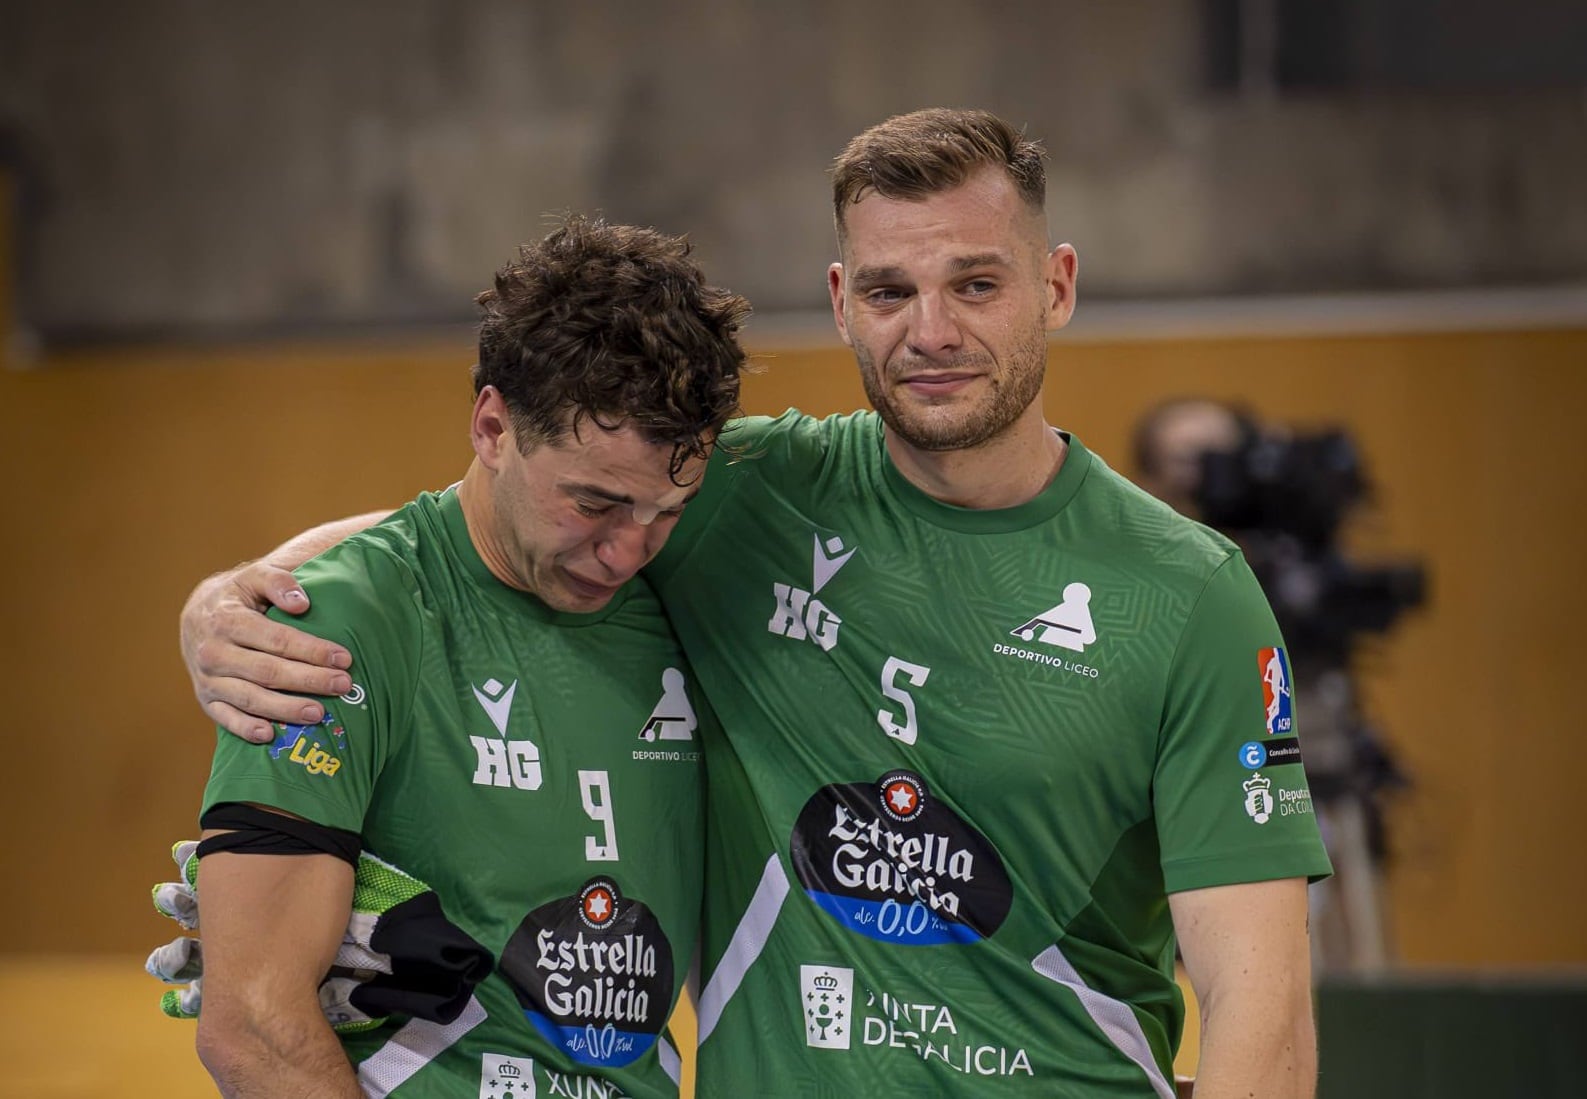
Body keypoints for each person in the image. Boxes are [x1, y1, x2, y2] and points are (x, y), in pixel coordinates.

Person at [180, 109, 1331, 1097]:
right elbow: (490, 521)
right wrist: (237, 599)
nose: (931, 330)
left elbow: (1261, 1009)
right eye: (889, 289)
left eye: (977, 283)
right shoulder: (734, 495)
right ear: (841, 302)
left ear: (1058, 286)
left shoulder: (1189, 595)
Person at [179, 214, 751, 1098]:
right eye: (592, 503)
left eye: (668, 510)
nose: (628, 550)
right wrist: (216, 597)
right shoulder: (337, 628)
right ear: (491, 426)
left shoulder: (687, 589)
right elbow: (252, 1025)